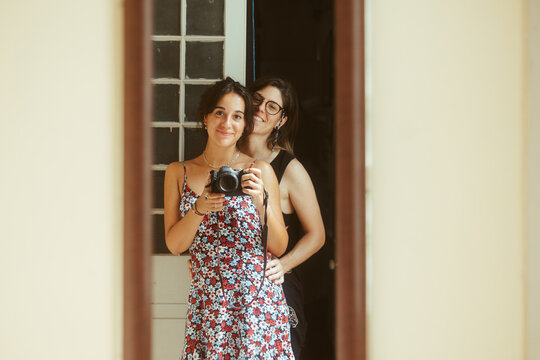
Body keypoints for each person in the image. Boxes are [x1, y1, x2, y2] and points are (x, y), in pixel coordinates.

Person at [163, 77, 294, 359]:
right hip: (208, 304)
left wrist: (261, 201)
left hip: (257, 303)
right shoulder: (178, 172)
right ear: (205, 117)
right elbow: (175, 245)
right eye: (220, 113)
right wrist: (199, 208)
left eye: (237, 116)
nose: (227, 123)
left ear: (246, 124)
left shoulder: (260, 170)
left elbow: (280, 246)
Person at [242, 76, 326, 359]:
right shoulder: (223, 159)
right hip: (232, 286)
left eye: (272, 106)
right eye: (257, 99)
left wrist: (283, 266)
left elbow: (317, 234)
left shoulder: (290, 169)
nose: (260, 109)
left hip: (277, 289)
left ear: (281, 120)